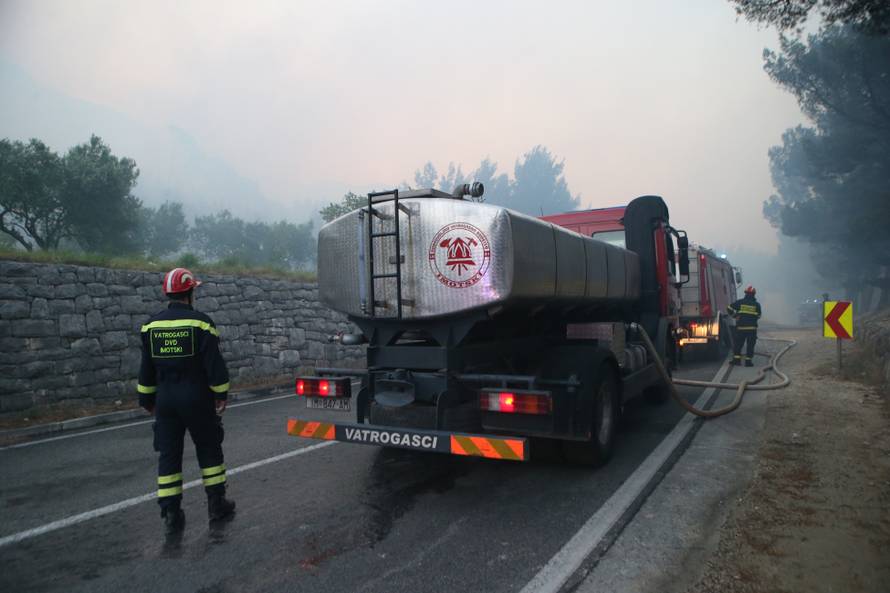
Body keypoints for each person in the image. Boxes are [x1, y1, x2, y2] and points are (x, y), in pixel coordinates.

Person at [137, 267, 235, 535]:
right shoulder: (201, 323)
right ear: (190, 292)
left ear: (168, 293)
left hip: (166, 401)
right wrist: (220, 394)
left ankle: (170, 511)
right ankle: (216, 504)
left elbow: (146, 369)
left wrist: (146, 399)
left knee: (169, 455)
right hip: (197, 398)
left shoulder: (150, 326)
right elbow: (214, 365)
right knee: (209, 450)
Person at [727, 285, 762, 367]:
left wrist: (735, 316)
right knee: (750, 345)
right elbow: (759, 316)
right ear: (754, 294)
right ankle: (748, 362)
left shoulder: (740, 302)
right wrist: (752, 318)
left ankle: (737, 360)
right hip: (752, 329)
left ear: (745, 293)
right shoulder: (757, 305)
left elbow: (729, 308)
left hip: (741, 328)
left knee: (738, 345)